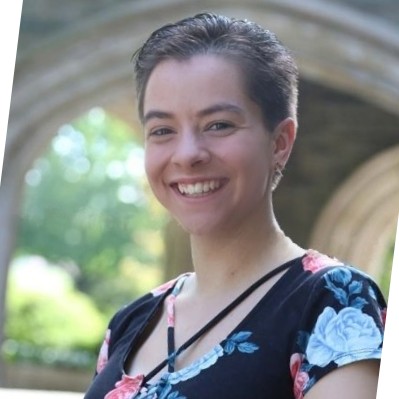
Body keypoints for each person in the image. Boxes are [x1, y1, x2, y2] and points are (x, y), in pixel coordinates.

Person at [84, 12, 387, 399]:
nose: (187, 154)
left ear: (280, 141)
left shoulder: (336, 302)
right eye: (162, 130)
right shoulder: (132, 321)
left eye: (219, 125)